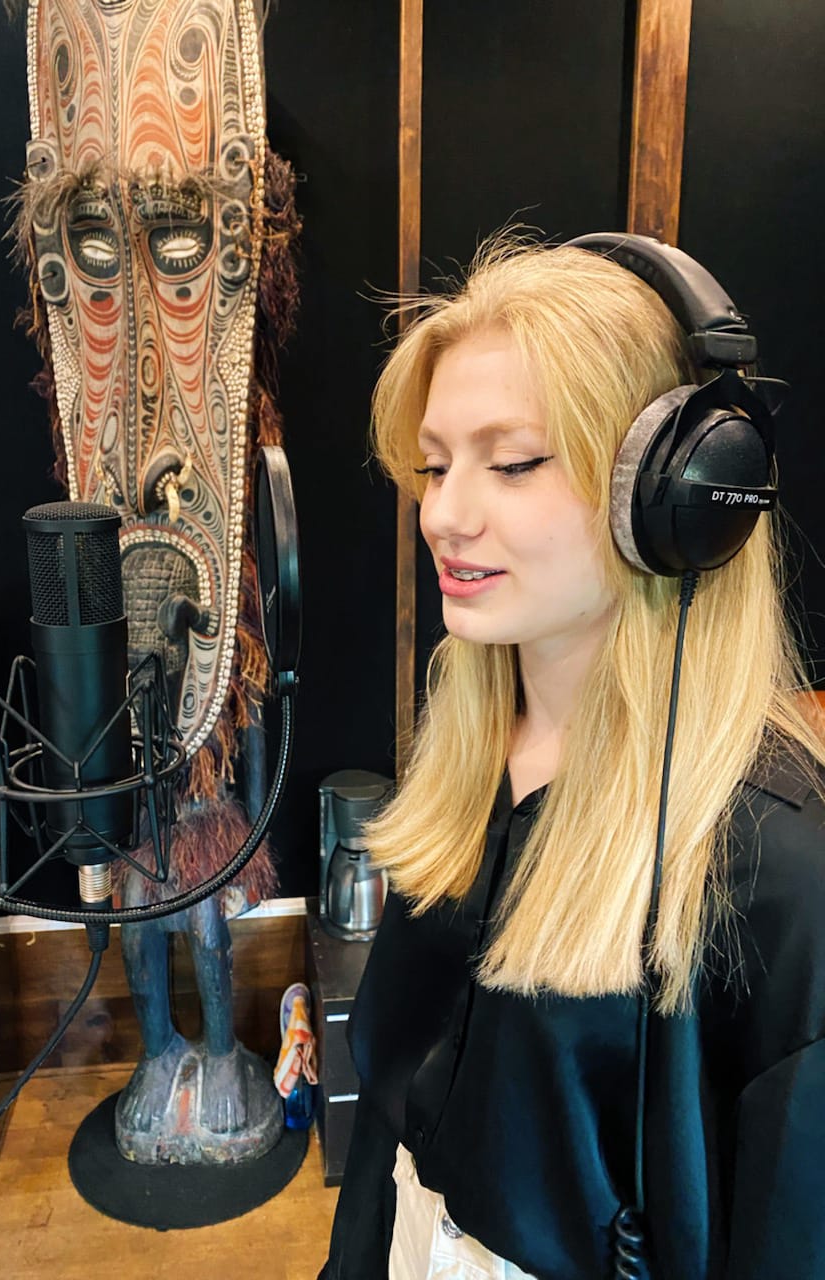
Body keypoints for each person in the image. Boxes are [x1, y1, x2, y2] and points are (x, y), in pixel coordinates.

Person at [319, 233, 825, 1280]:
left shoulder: (780, 868)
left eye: (512, 463)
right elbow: (386, 1132)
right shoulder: (465, 754)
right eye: (435, 466)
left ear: (682, 495)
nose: (444, 513)